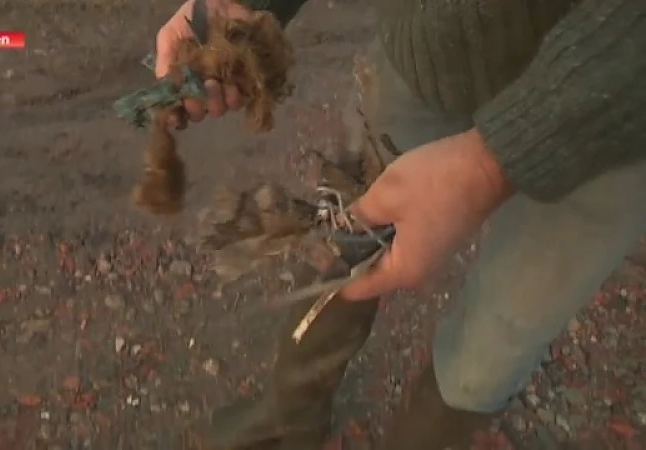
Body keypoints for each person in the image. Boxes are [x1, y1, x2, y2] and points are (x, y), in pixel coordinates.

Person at [155, 0, 646, 448]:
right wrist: (247, 11)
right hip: (434, 39)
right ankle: (293, 415)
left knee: (509, 321)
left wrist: (488, 166)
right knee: (348, 227)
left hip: (619, 121)